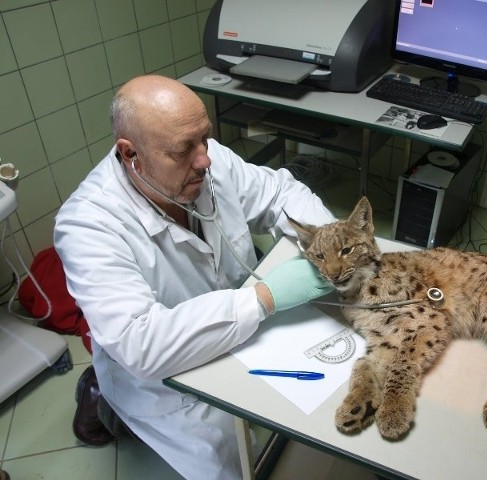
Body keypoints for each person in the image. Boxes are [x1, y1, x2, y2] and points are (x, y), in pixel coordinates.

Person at [54, 74, 336, 479]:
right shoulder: (87, 225)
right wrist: (263, 298)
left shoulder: (206, 159)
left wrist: (331, 242)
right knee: (233, 465)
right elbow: (141, 343)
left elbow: (278, 193)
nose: (204, 158)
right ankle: (103, 400)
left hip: (235, 326)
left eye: (204, 138)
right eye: (184, 148)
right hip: (162, 377)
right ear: (130, 154)